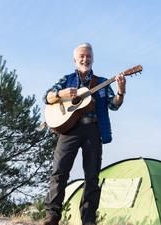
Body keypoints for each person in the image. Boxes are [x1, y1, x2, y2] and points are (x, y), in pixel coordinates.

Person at [42, 42, 126, 225]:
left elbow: (114, 105)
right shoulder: (66, 80)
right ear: (75, 61)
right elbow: (46, 97)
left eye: (88, 56)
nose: (85, 59)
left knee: (92, 176)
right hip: (69, 129)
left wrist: (121, 91)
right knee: (59, 172)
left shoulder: (102, 82)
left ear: (93, 59)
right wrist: (61, 94)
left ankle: (88, 220)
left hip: (93, 130)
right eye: (81, 56)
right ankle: (52, 217)